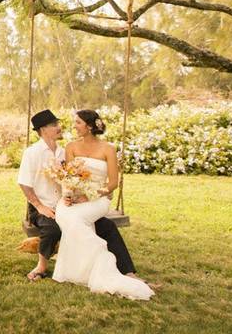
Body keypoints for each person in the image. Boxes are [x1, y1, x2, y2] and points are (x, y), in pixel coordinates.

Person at [17, 109, 139, 285]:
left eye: (58, 124)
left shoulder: (62, 151)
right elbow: (24, 183)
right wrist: (39, 207)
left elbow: (74, 179)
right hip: (42, 206)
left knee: (108, 227)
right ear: (43, 130)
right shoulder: (32, 152)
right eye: (54, 125)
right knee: (53, 229)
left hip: (70, 202)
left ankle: (127, 271)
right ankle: (42, 267)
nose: (60, 127)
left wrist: (100, 191)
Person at [51, 109, 154, 300]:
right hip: (75, 198)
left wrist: (91, 195)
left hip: (98, 199)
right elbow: (69, 177)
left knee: (75, 219)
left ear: (90, 126)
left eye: (78, 123)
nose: (74, 126)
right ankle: (85, 267)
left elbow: (113, 182)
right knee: (66, 214)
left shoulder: (108, 149)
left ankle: (101, 261)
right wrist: (68, 195)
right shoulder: (71, 147)